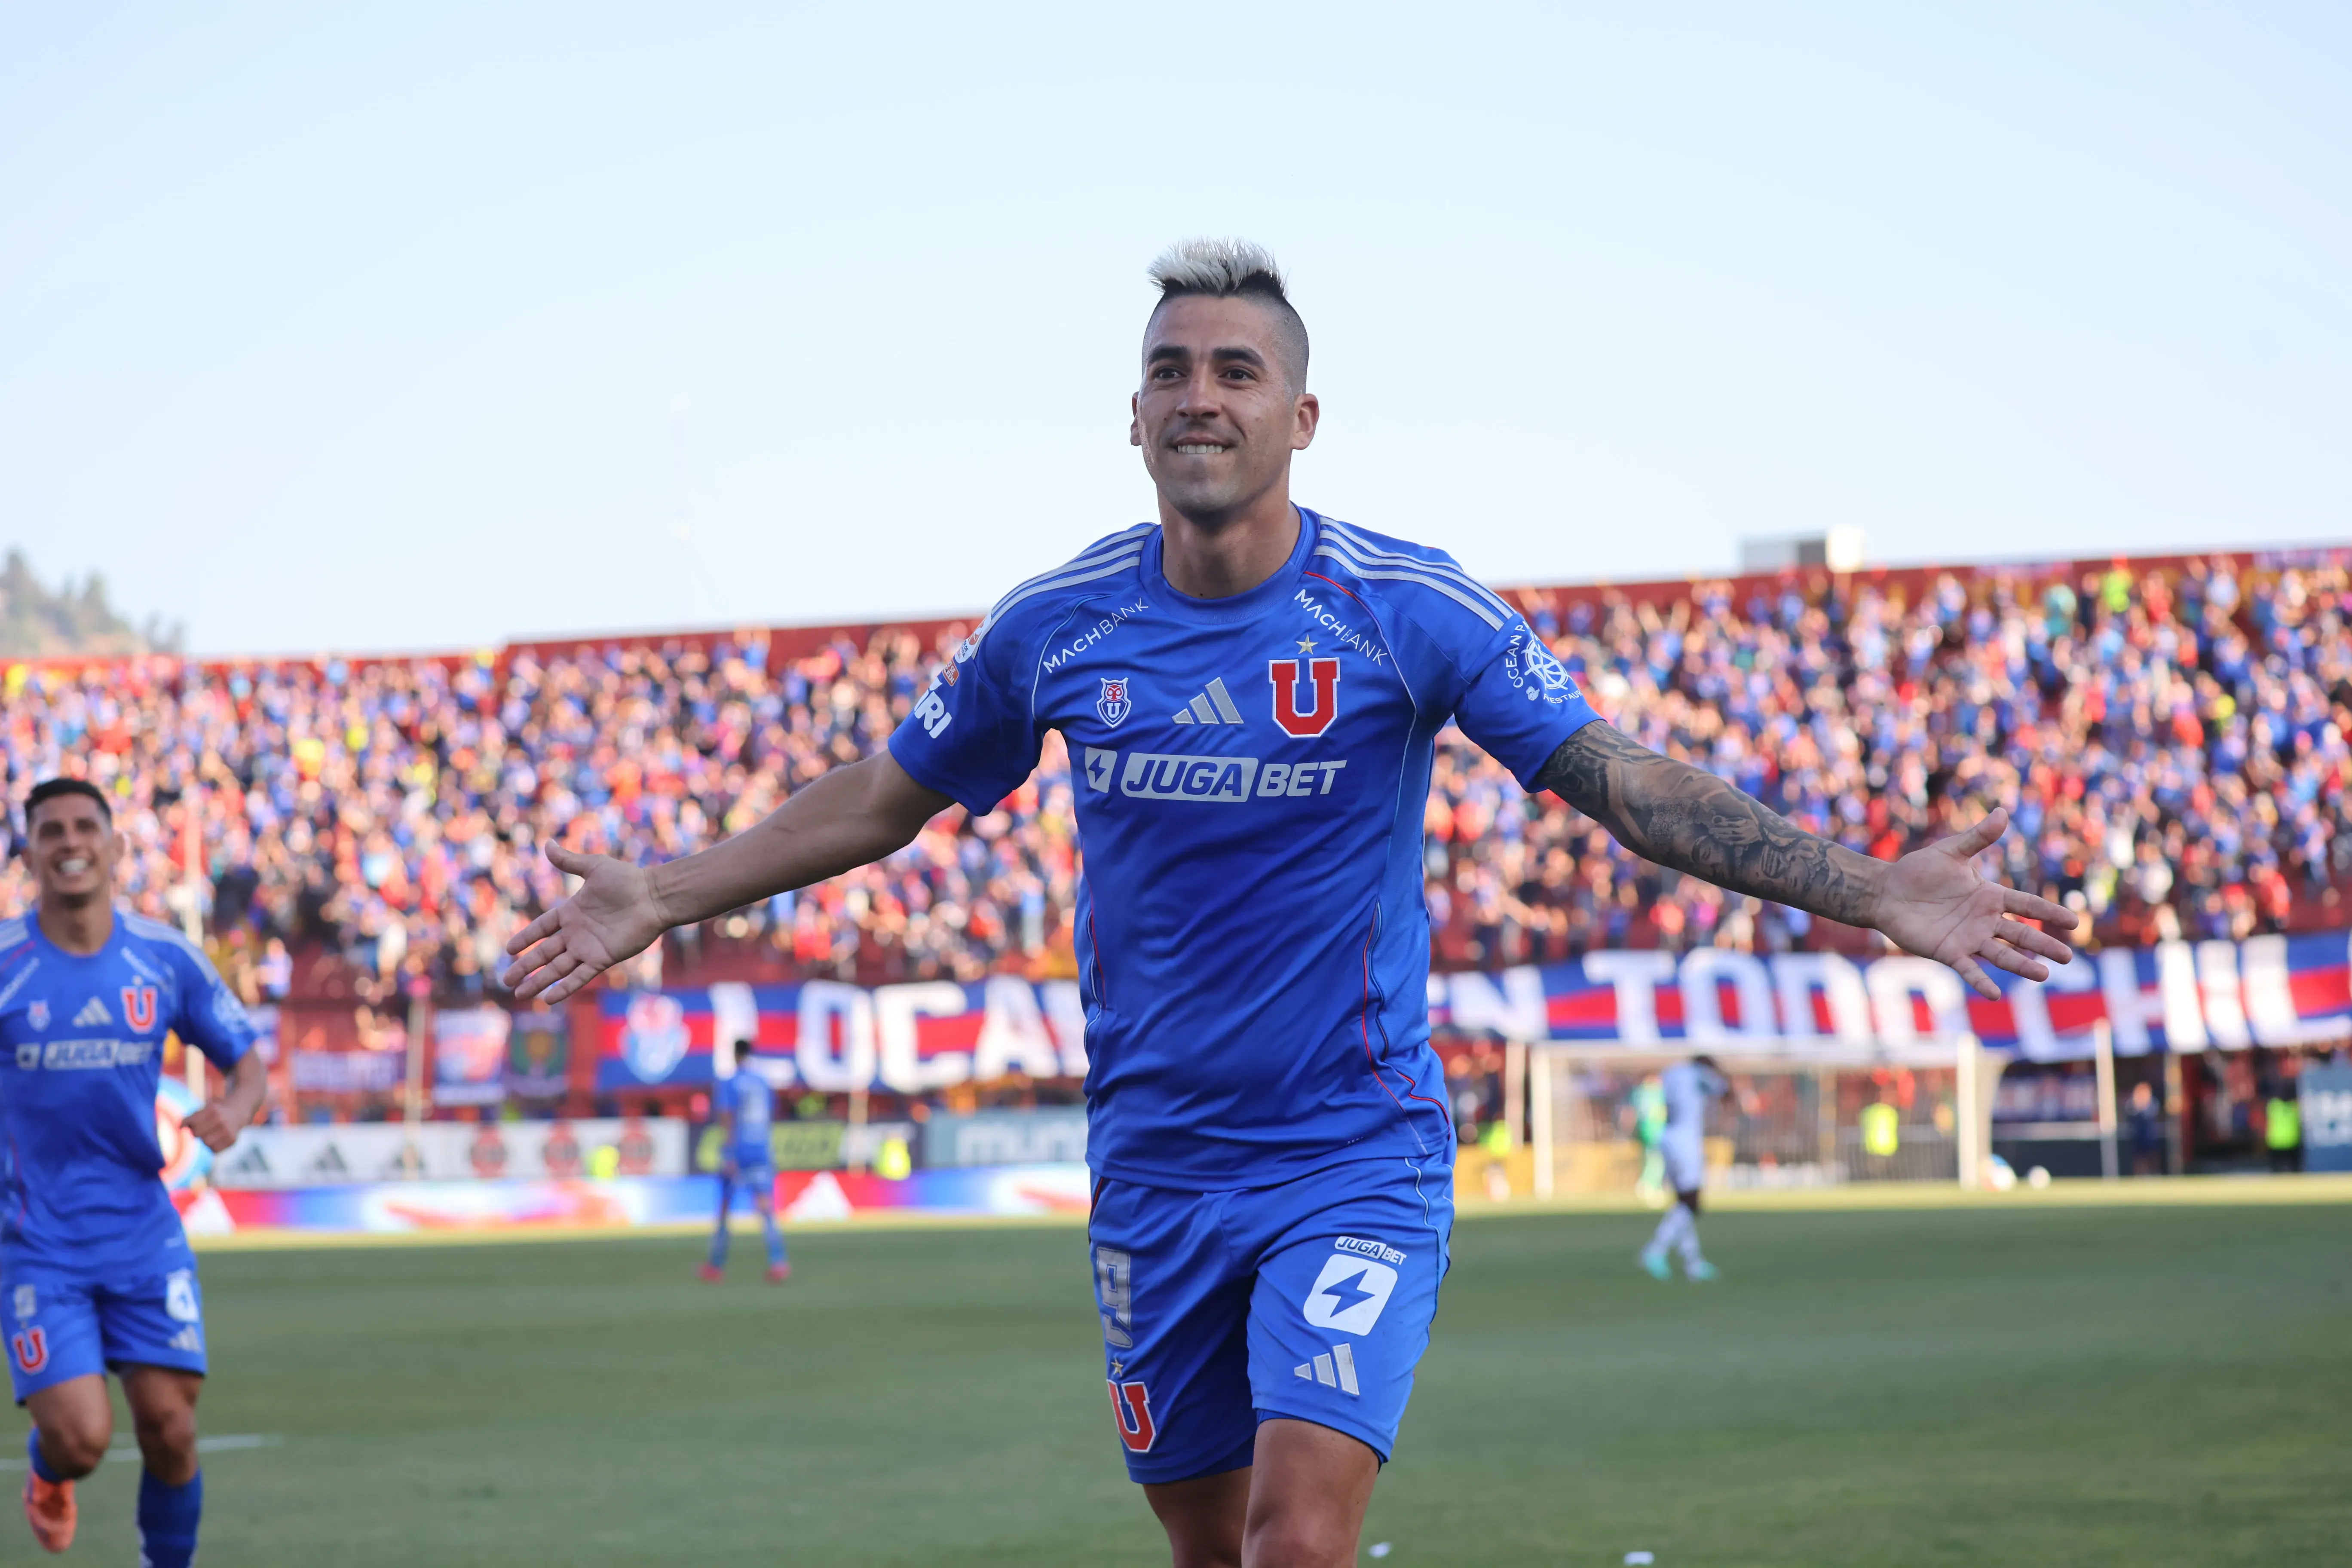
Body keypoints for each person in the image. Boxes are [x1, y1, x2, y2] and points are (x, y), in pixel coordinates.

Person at [501, 239, 2079, 1568]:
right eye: (1172, 369)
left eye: (1235, 370)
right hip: (1152, 1167)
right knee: (1213, 1549)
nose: (1201, 394)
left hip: (1349, 1146)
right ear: (1131, 418)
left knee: (1298, 1540)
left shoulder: (1404, 605)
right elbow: (881, 796)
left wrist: (1873, 888)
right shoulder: (1054, 628)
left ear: (1301, 414)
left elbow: (1615, 774)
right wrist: (661, 891)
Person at [0, 778, 268, 1563]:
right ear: (33, 852)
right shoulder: (8, 965)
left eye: (87, 825)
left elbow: (248, 1067)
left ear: (116, 845)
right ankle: (51, 1473)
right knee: (83, 1439)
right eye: (51, 830)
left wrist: (238, 1110)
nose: (70, 840)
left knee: (170, 1428)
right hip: (37, 1241)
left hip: (144, 1234)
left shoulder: (163, 957)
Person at [702, 1039, 789, 1283]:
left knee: (725, 1208)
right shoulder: (762, 1082)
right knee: (766, 1209)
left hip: (739, 1152)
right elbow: (772, 1114)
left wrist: (729, 1153)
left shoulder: (730, 1082)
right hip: (761, 1151)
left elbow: (727, 1117)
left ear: (735, 1055)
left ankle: (715, 1265)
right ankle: (779, 1261)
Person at [1640, 1055, 1731, 1281]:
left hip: (1667, 1137)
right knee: (1691, 1204)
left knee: (1683, 1205)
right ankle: (1654, 1251)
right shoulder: (1700, 1074)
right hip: (1685, 1143)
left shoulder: (1672, 1072)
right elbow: (1725, 1091)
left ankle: (1694, 1264)